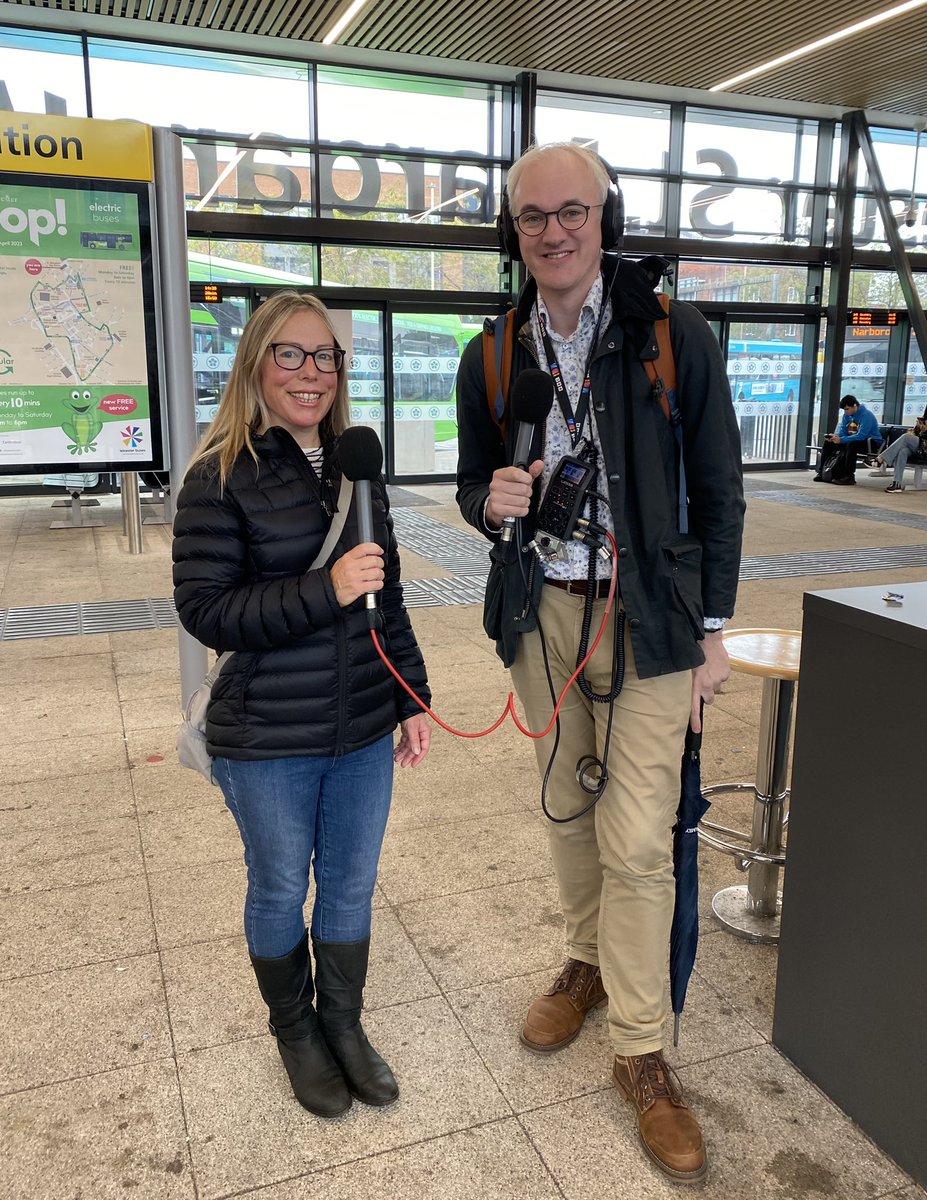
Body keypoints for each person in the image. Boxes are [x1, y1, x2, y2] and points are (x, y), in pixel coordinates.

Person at [456, 142, 744, 1183]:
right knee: (566, 809)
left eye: (573, 210)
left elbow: (719, 487)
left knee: (637, 838)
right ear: (516, 232)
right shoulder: (491, 356)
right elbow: (464, 486)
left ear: (604, 217)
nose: (554, 231)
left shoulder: (672, 336)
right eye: (534, 217)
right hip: (542, 614)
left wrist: (714, 631)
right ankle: (582, 960)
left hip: (655, 619)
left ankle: (643, 1050)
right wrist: (489, 500)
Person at [172, 290, 431, 1120]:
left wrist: (411, 695)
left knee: (351, 886)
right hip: (266, 734)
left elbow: (386, 600)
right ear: (256, 363)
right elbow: (207, 614)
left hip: (360, 721)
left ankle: (342, 1024)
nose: (311, 373)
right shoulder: (217, 476)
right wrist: (324, 589)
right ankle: (294, 1028)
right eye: (290, 354)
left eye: (325, 357)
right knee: (281, 885)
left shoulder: (359, 465)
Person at [813, 394, 881, 485]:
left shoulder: (866, 415)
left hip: (871, 442)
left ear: (855, 406)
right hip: (854, 440)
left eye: (847, 409)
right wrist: (835, 437)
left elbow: (861, 436)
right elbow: (843, 432)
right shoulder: (847, 416)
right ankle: (821, 472)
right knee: (829, 443)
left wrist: (841, 440)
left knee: (851, 445)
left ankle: (849, 476)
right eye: (844, 409)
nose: (846, 412)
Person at [876, 415, 927, 493]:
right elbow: (917, 432)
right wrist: (919, 427)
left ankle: (881, 459)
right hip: (920, 447)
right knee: (903, 451)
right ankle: (897, 483)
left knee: (905, 437)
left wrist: (925, 430)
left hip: (924, 447)